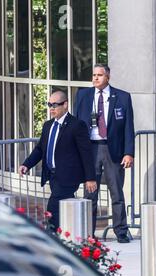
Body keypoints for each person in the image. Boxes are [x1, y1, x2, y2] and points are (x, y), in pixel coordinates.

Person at [18, 91, 97, 230]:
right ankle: (68, 236)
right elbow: (40, 149)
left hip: (68, 176)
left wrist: (90, 178)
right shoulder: (48, 125)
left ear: (65, 105)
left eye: (55, 105)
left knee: (52, 208)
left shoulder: (77, 125)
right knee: (62, 208)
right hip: (53, 175)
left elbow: (86, 153)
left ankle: (52, 236)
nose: (51, 108)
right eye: (49, 105)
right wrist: (26, 164)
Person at [74, 63, 135, 243]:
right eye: (93, 75)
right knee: (89, 193)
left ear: (107, 77)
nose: (95, 78)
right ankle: (88, 233)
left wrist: (128, 153)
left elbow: (129, 128)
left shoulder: (122, 97)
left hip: (112, 149)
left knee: (116, 192)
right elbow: (77, 124)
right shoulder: (83, 95)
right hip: (90, 149)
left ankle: (121, 232)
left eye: (99, 75)